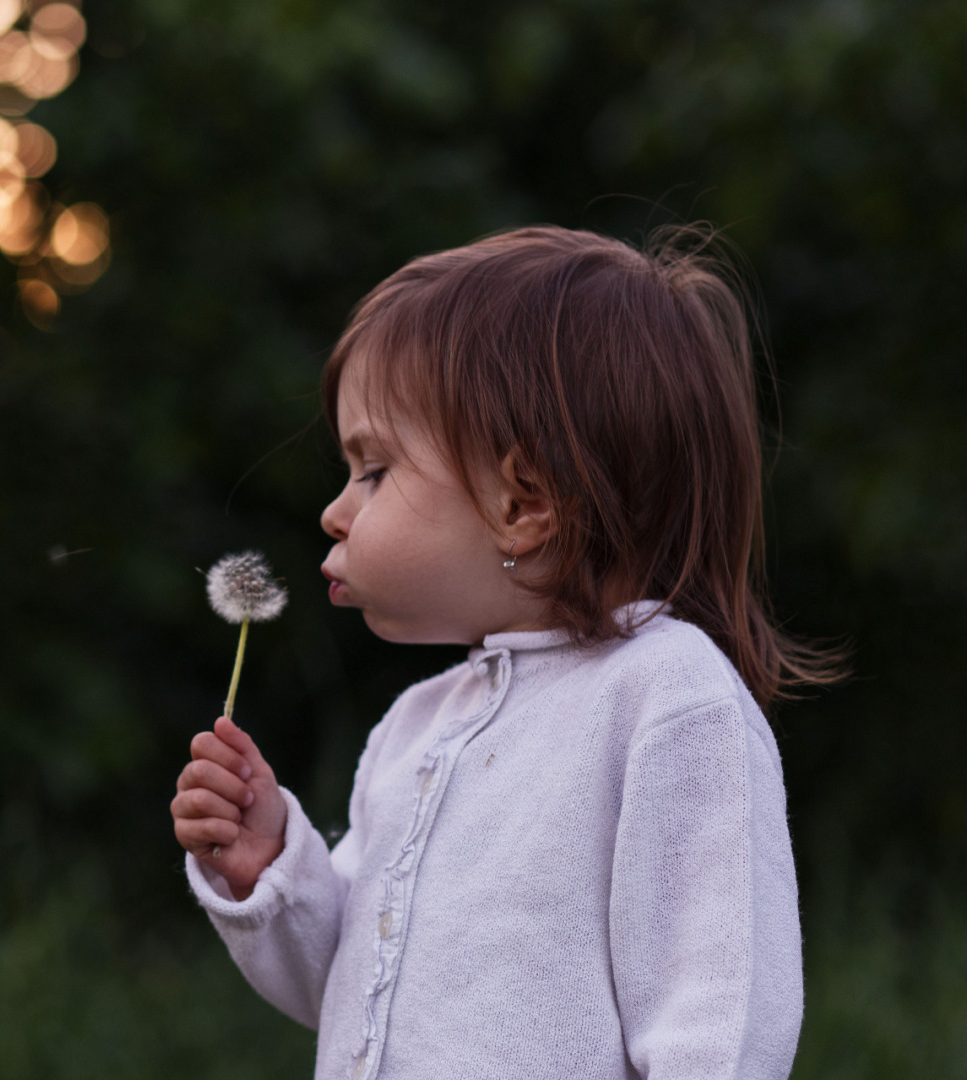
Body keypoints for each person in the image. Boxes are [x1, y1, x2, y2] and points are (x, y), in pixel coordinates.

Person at [170, 225, 845, 1079]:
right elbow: (349, 994)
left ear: (523, 503)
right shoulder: (414, 726)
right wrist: (269, 866)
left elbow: (716, 1014)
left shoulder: (664, 698)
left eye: (373, 470)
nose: (335, 511)